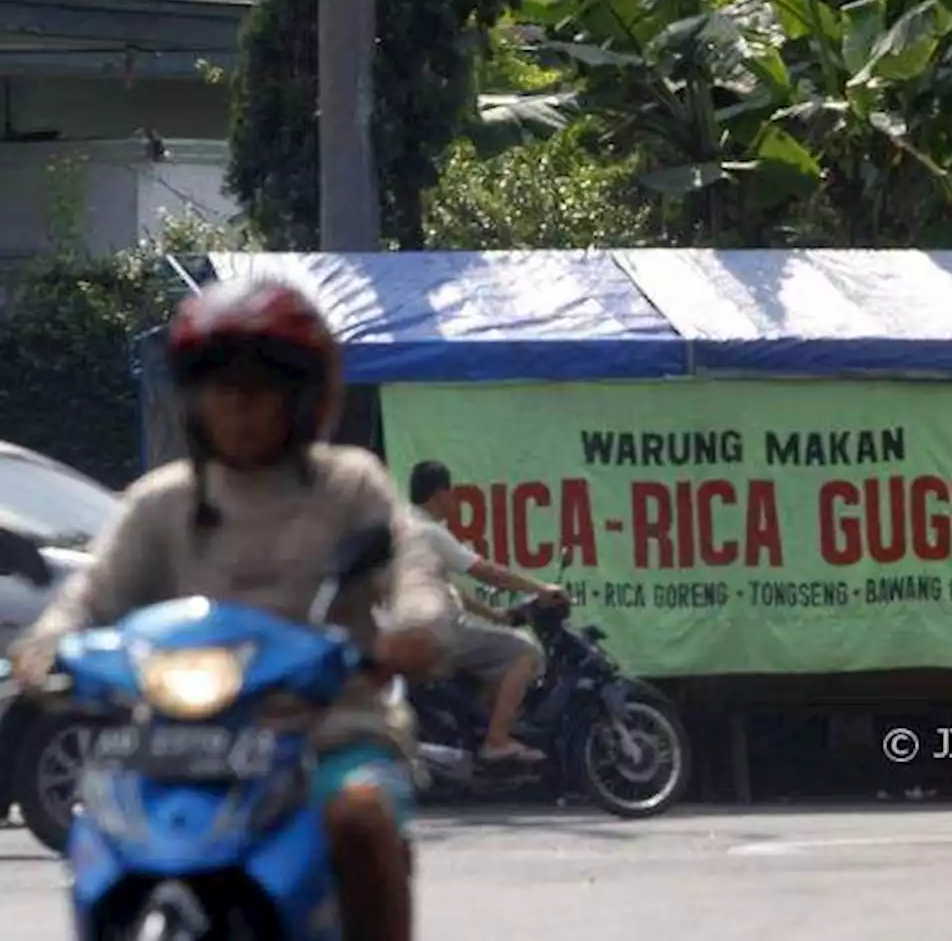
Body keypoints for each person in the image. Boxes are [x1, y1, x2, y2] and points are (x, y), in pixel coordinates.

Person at [7, 278, 457, 941]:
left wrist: (416, 630)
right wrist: (46, 647)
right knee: (100, 826)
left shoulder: (349, 485)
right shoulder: (162, 502)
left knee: (361, 817)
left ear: (305, 397)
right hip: (179, 745)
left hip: (327, 731)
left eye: (261, 388)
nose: (239, 407)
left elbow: (412, 567)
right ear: (194, 400)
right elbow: (88, 595)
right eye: (221, 387)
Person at [410, 459, 564, 763]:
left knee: (499, 652)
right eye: (450, 493)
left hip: (416, 629)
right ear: (439, 494)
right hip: (441, 631)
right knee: (526, 653)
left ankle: (476, 728)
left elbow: (451, 589)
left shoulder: (403, 526)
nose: (453, 499)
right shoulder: (430, 532)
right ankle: (497, 740)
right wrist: (540, 589)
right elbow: (485, 572)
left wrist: (498, 617)